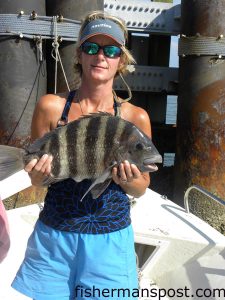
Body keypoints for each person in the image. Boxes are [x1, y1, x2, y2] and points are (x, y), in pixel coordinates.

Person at [12, 10, 152, 300]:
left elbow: (141, 187)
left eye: (111, 50)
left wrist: (127, 180)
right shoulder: (51, 106)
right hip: (54, 238)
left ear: (121, 60)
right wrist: (36, 175)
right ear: (79, 55)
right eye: (91, 48)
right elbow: (40, 181)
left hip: (110, 241)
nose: (100, 56)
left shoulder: (134, 117)